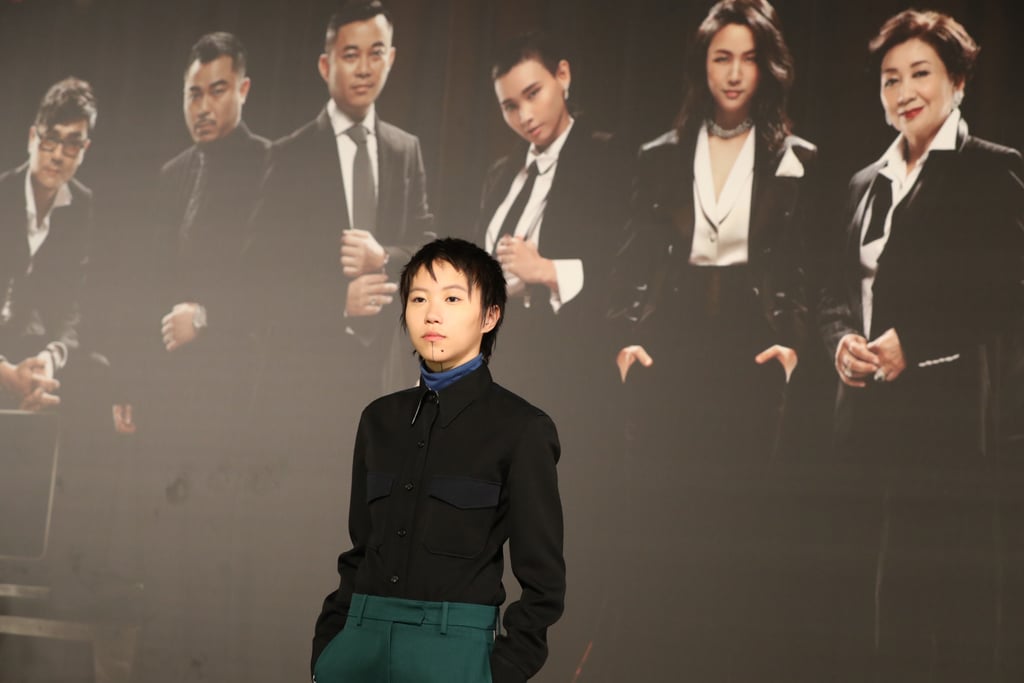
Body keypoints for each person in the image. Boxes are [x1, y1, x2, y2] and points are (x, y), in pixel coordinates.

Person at [599, 1, 816, 678]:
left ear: (768, 67)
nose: (734, 72)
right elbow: (631, 259)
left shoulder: (795, 158)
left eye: (749, 57)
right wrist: (626, 343)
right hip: (675, 343)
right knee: (666, 521)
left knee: (744, 527)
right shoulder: (660, 156)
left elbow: (806, 263)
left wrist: (793, 346)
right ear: (703, 64)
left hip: (752, 343)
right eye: (722, 56)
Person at [817, 10, 1024, 679]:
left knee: (944, 604)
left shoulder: (993, 171)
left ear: (959, 80)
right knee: (865, 602)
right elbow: (832, 291)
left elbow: (1009, 288)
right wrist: (841, 341)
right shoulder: (861, 182)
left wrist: (919, 342)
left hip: (949, 425)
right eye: (889, 79)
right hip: (862, 423)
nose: (903, 90)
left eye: (920, 74)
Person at [312, 237, 565, 683]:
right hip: (357, 647)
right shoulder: (379, 420)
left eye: (452, 298)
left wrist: (497, 674)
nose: (432, 313)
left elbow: (543, 583)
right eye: (418, 299)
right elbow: (359, 553)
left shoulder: (522, 428)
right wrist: (328, 651)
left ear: (491, 315)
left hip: (455, 655)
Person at [247, 0, 433, 428]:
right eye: (351, 55)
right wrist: (336, 302)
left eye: (377, 53)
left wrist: (382, 256)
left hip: (388, 379)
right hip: (304, 376)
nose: (365, 68)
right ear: (325, 64)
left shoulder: (406, 150)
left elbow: (429, 249)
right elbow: (257, 274)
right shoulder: (286, 156)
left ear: (392, 58)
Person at [0, 77, 98, 414]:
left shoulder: (85, 208)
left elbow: (78, 306)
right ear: (32, 138)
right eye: (50, 140)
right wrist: (5, 373)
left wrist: (50, 360)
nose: (58, 155)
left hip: (38, 359)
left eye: (72, 144)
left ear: (84, 150)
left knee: (97, 371)